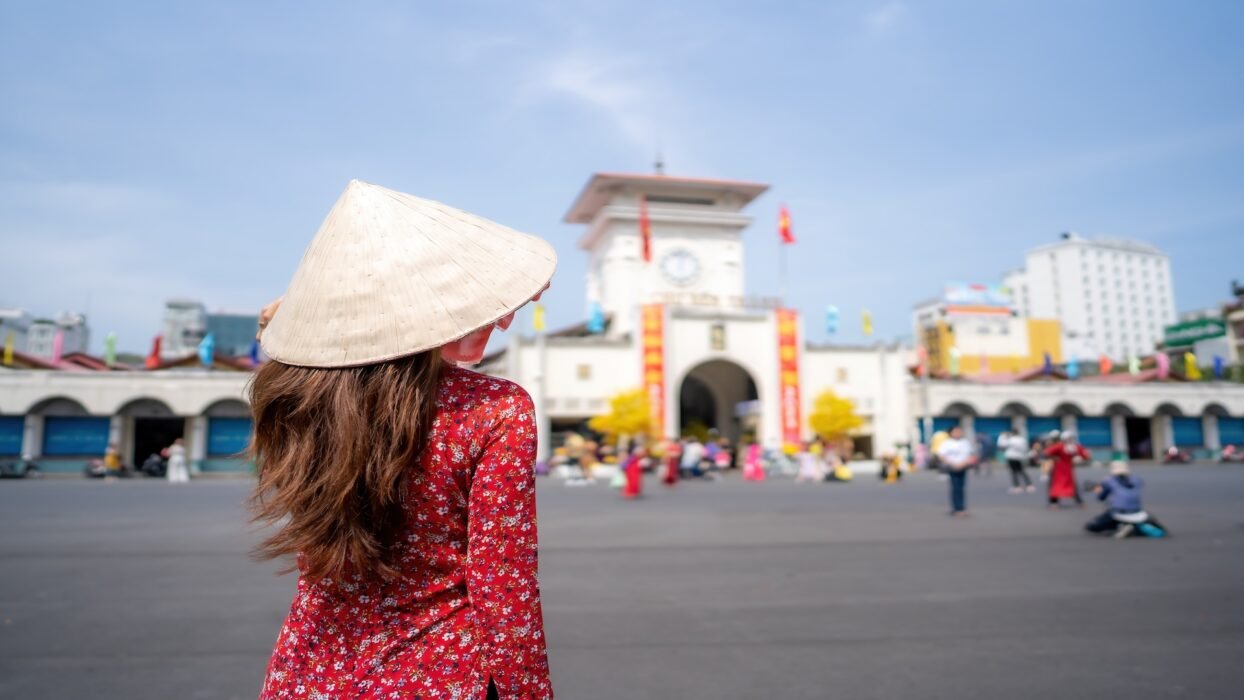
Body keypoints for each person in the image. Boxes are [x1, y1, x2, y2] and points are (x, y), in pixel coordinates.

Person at [251, 180, 555, 699]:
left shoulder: (292, 395)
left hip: (310, 671)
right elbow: (503, 590)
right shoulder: (496, 409)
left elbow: (299, 344)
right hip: (440, 672)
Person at [1085, 462, 1167, 538]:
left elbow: (1101, 498)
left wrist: (1100, 490)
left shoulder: (1109, 481)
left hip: (1118, 512)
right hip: (1138, 512)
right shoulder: (1136, 480)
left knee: (1092, 526)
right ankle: (1132, 527)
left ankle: (1121, 527)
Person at [1044, 431, 1091, 508]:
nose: (1069, 440)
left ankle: (1079, 501)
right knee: (1055, 485)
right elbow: (1047, 453)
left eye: (1070, 438)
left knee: (1072, 485)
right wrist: (1054, 458)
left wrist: (1081, 458)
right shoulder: (1060, 446)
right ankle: (1053, 502)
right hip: (1058, 469)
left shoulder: (1075, 447)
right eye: (1067, 438)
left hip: (1068, 469)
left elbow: (1085, 454)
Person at [936, 427, 975, 516]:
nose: (958, 433)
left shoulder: (965, 442)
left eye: (959, 431)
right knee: (955, 488)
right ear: (950, 433)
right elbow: (941, 455)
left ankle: (962, 507)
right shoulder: (947, 443)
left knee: (961, 488)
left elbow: (970, 455)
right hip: (952, 467)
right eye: (955, 432)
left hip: (963, 467)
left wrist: (964, 463)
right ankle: (957, 508)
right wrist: (952, 464)